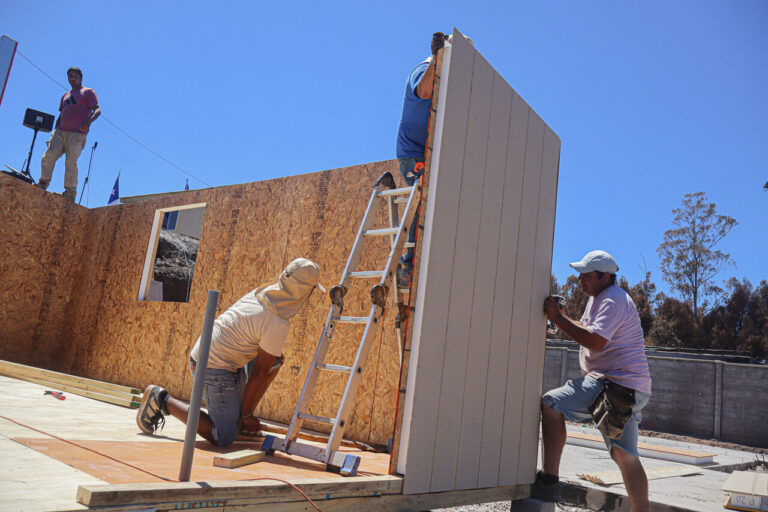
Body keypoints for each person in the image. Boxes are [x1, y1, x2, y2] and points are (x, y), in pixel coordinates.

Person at [136, 258, 326, 447]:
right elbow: (259, 373)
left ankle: (239, 420)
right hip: (211, 367)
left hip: (211, 356)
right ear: (304, 292)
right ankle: (161, 400)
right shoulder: (277, 321)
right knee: (224, 436)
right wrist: (246, 414)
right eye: (312, 290)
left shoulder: (263, 293)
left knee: (273, 360)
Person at [536, 250, 652, 512]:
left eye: (587, 275)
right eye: (580, 275)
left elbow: (596, 341)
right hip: (629, 387)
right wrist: (563, 319)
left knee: (551, 403)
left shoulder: (613, 299)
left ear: (606, 276)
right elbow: (588, 329)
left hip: (614, 384)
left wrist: (557, 318)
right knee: (625, 455)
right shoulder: (599, 298)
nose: (580, 280)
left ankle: (549, 479)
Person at [394, 32, 447, 288]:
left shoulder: (443, 83)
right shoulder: (424, 71)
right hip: (412, 156)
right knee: (423, 192)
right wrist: (437, 59)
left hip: (426, 154)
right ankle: (408, 264)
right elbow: (423, 91)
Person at [38, 67, 101, 201]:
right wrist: (54, 132)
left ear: (81, 78)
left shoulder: (88, 92)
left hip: (77, 133)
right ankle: (43, 182)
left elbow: (98, 110)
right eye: (70, 76)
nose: (72, 78)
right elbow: (61, 114)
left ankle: (69, 192)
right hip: (61, 131)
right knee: (49, 155)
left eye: (75, 76)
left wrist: (88, 122)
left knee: (71, 162)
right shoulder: (65, 96)